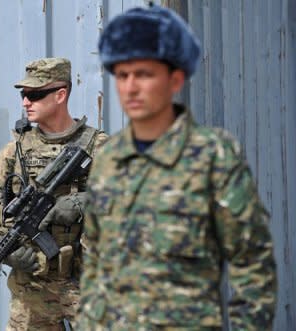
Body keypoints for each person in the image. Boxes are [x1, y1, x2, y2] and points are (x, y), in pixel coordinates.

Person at [78, 5, 277, 330]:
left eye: (143, 74)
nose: (130, 87)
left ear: (175, 80)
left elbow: (252, 260)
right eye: (123, 75)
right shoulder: (109, 159)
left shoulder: (212, 156)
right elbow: (96, 257)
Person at [0, 57, 107, 330]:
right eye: (24, 95)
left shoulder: (98, 146)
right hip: (32, 289)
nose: (26, 102)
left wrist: (81, 201)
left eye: (35, 95)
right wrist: (3, 243)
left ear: (61, 95)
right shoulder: (15, 151)